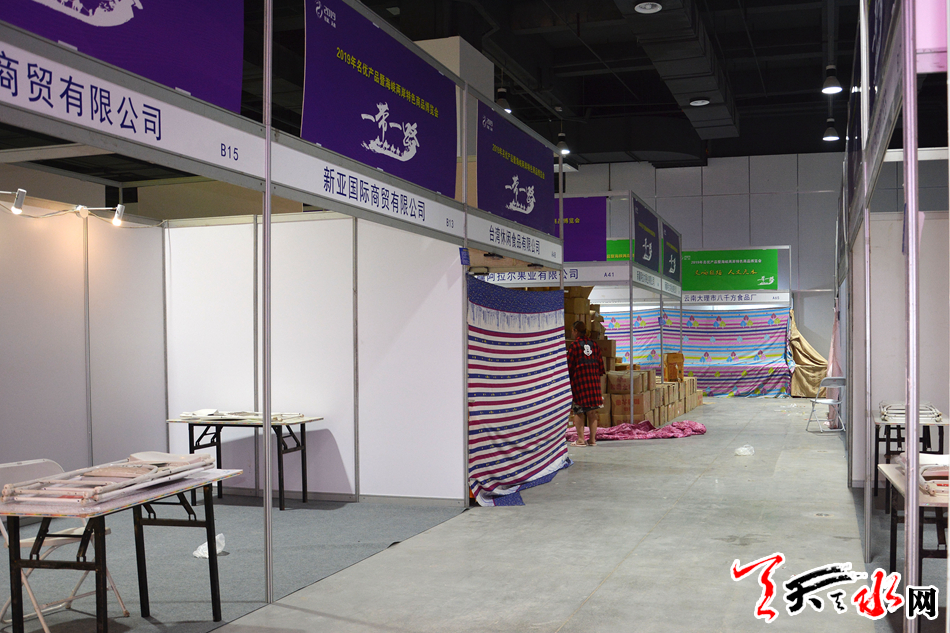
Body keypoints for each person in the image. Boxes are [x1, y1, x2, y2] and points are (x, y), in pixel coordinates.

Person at [566, 320, 606, 446]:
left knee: (578, 411)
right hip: (593, 384)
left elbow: (569, 366)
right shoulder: (595, 345)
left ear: (576, 331)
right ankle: (592, 440)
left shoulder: (574, 346)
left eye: (572, 331)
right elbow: (601, 367)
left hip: (579, 383)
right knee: (592, 413)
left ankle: (581, 440)